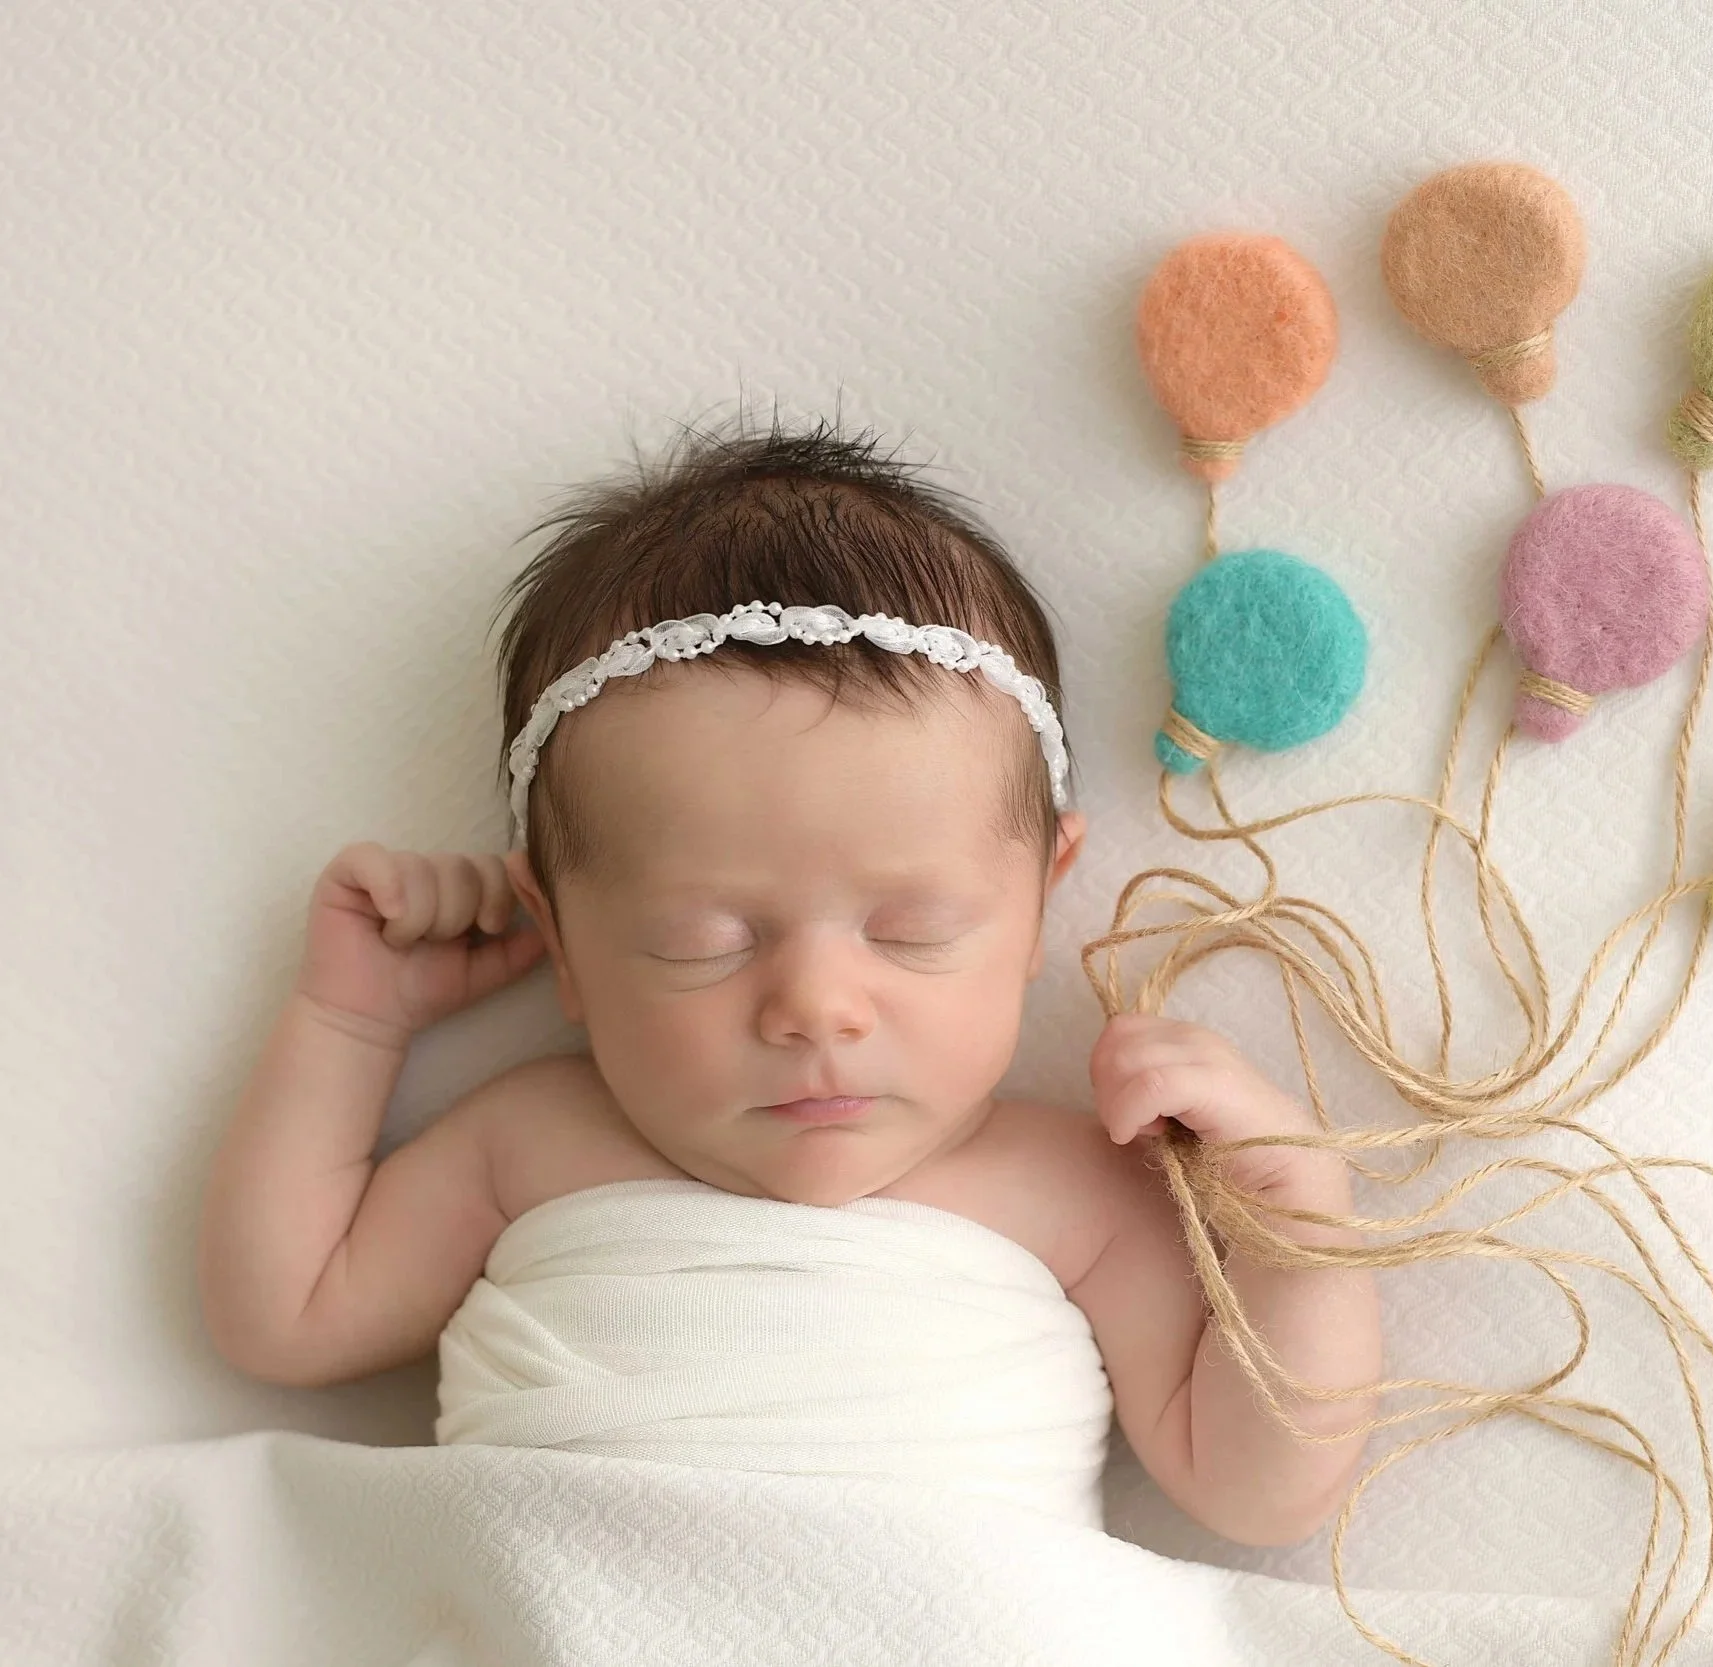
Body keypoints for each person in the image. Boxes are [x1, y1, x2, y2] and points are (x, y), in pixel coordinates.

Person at [196, 414, 1381, 1548]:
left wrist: (1293, 1228)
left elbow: (1255, 1487)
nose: (816, 1006)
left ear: (1038, 899)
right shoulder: (529, 1141)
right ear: (560, 942)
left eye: (913, 928)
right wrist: (352, 1022)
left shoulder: (1069, 1187)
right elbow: (283, 1311)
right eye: (703, 939)